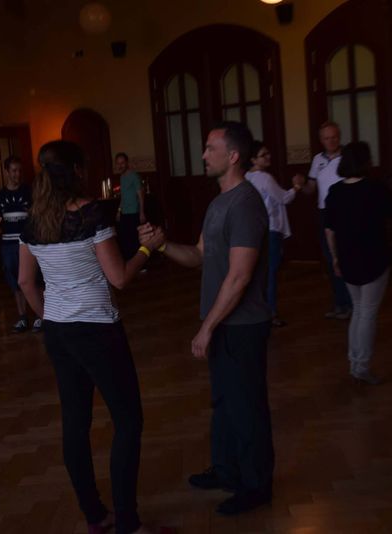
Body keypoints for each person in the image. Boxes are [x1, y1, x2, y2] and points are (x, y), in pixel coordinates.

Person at [19, 140, 165, 534]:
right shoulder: (91, 213)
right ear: (77, 171)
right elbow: (119, 278)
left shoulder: (32, 221)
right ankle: (128, 524)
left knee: (75, 423)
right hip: (97, 329)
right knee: (128, 422)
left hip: (58, 332)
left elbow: (25, 282)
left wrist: (52, 318)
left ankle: (96, 516)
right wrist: (148, 249)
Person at [140, 121, 274, 516]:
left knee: (246, 407)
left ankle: (256, 486)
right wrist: (162, 245)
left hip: (243, 326)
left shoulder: (246, 203)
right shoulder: (219, 203)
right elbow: (199, 255)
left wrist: (207, 327)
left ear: (232, 156)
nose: (203, 155)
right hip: (223, 322)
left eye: (210, 148)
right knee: (224, 403)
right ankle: (227, 470)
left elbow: (240, 276)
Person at [324, 142, 392, 385]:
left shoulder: (335, 191)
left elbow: (329, 229)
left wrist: (335, 257)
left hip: (347, 257)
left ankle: (354, 362)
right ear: (366, 161)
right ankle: (361, 366)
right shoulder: (376, 188)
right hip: (374, 257)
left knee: (358, 309)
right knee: (367, 313)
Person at [294, 121, 352, 319]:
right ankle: (340, 303)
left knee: (347, 257)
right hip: (325, 213)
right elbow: (311, 189)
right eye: (327, 138)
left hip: (345, 212)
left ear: (339, 137)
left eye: (334, 137)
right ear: (321, 140)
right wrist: (301, 185)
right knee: (330, 259)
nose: (331, 141)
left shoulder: (347, 156)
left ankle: (352, 303)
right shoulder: (317, 159)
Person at [246, 140, 301, 327]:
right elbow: (284, 198)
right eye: (263, 155)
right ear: (253, 159)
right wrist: (296, 186)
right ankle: (270, 312)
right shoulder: (265, 178)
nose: (268, 157)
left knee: (258, 272)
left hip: (256, 230)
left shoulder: (246, 177)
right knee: (270, 273)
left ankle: (258, 310)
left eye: (268, 153)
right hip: (271, 229)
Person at [0, 156, 43, 333]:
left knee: (34, 279)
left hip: (29, 242)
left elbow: (40, 213)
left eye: (19, 171)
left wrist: (32, 211)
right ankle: (22, 317)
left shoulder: (29, 192)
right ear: (6, 172)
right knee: (15, 281)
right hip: (9, 244)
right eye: (13, 171)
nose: (17, 174)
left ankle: (40, 316)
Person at [115, 152, 146, 261]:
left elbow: (141, 195)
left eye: (122, 163)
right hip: (124, 213)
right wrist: (119, 210)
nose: (120, 166)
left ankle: (138, 264)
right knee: (125, 240)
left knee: (135, 240)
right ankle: (129, 263)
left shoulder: (134, 176)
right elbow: (123, 196)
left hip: (134, 212)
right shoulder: (121, 177)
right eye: (118, 163)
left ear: (127, 163)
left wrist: (142, 212)